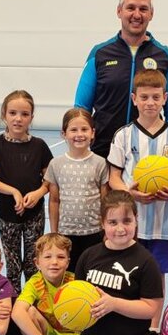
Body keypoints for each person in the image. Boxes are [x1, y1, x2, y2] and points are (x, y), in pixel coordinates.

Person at [66, 190, 164, 335]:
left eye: (127, 220)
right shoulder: (89, 256)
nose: (120, 228)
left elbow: (151, 308)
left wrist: (114, 304)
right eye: (113, 222)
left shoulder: (146, 261)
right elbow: (77, 295)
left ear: (136, 220)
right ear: (102, 223)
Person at [107, 69, 168, 331]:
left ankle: (153, 327)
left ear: (165, 98)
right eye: (144, 97)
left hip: (163, 224)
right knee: (125, 271)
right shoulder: (124, 135)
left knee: (156, 276)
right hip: (131, 223)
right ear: (134, 99)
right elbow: (114, 178)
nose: (150, 102)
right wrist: (129, 193)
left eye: (155, 97)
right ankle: (127, 322)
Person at [75, 0, 168, 158]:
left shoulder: (164, 55)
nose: (136, 15)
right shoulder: (100, 53)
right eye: (130, 8)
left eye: (143, 9)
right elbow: (82, 108)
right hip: (103, 151)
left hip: (150, 154)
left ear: (151, 14)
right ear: (119, 11)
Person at [0, 90, 54, 293]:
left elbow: (50, 180)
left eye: (24, 114)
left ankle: (32, 305)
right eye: (13, 113)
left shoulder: (39, 146)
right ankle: (13, 308)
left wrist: (39, 192)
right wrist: (12, 191)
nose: (18, 119)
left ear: (31, 117)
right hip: (7, 214)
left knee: (32, 264)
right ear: (4, 114)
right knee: (12, 267)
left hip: (34, 215)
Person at [44, 108, 110, 268]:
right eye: (73, 130)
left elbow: (105, 200)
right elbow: (54, 201)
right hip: (66, 233)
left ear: (92, 133)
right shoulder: (56, 164)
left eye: (84, 129)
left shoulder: (100, 163)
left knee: (92, 273)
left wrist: (105, 229)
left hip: (94, 232)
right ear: (64, 134)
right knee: (69, 276)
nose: (79, 134)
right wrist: (54, 233)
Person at [10, 233, 80, 335]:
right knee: (29, 311)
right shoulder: (35, 283)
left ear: (68, 262)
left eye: (61, 257)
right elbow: (17, 312)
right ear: (37, 263)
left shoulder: (75, 281)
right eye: (47, 257)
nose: (54, 262)